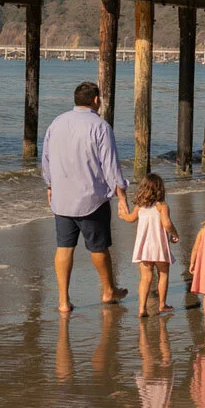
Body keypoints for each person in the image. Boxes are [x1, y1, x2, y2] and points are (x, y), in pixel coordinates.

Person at [42, 80, 130, 313]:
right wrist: (122, 196)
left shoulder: (57, 123)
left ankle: (63, 301)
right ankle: (108, 290)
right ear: (95, 100)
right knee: (99, 248)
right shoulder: (100, 126)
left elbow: (47, 158)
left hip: (62, 199)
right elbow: (110, 167)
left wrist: (50, 185)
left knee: (64, 247)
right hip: (92, 199)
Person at [120, 173, 180, 317]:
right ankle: (162, 305)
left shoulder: (140, 206)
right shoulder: (162, 206)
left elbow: (130, 219)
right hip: (159, 247)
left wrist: (123, 214)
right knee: (163, 274)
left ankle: (142, 308)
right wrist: (175, 233)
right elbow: (166, 223)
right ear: (160, 190)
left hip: (144, 248)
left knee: (145, 278)